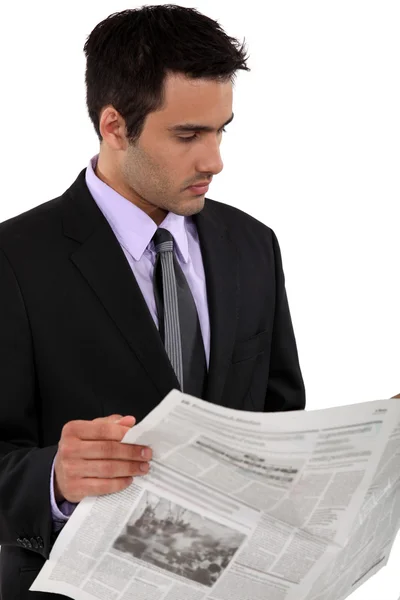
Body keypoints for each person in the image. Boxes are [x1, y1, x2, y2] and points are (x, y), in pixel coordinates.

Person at [0, 5, 309, 600]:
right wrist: (55, 480)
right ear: (115, 126)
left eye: (222, 130)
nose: (214, 160)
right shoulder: (13, 261)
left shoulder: (253, 245)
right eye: (188, 135)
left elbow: (278, 418)